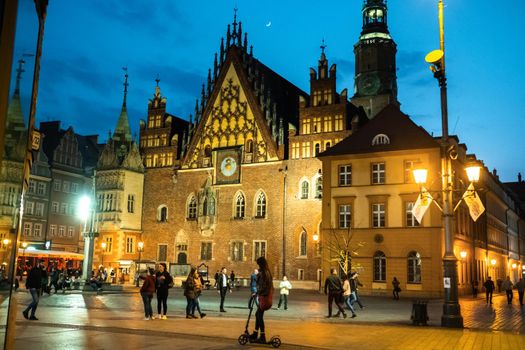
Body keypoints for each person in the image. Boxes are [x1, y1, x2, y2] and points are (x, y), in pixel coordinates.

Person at [250, 257, 273, 344]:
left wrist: (256, 293)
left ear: (261, 264)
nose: (258, 266)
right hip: (265, 297)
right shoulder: (266, 272)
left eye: (259, 264)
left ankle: (262, 336)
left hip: (265, 298)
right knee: (258, 314)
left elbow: (264, 286)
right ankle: (256, 333)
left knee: (259, 315)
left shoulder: (264, 273)